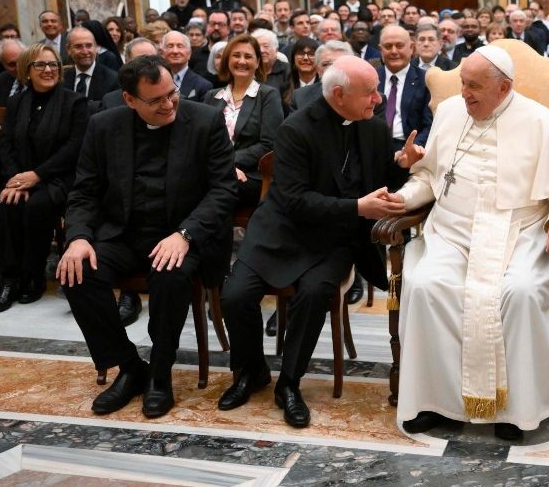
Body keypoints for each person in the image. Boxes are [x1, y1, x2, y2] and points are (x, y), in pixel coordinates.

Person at [392, 46, 549, 440]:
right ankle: (434, 402)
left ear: (504, 88)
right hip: (451, 232)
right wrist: (402, 199)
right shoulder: (450, 112)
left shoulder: (542, 122)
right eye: (463, 83)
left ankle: (516, 411)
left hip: (518, 233)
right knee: (426, 285)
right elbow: (429, 178)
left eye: (474, 87)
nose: (464, 93)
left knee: (521, 292)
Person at [218, 56, 411, 427]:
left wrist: (402, 165)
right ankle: (252, 371)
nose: (378, 100)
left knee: (313, 295)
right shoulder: (296, 129)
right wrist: (357, 207)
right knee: (235, 295)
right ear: (339, 95)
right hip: (281, 231)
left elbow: (382, 178)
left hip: (334, 238)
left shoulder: (373, 127)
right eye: (370, 92)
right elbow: (294, 201)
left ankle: (289, 383)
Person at [59, 55, 238, 418]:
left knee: (170, 276)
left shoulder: (205, 121)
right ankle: (129, 366)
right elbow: (84, 192)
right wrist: (78, 238)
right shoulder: (104, 125)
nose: (169, 104)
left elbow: (224, 190)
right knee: (76, 273)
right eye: (156, 100)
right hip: (123, 233)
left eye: (172, 93)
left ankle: (159, 370)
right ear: (130, 99)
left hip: (182, 233)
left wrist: (185, 234)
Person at [0, 43, 88, 313]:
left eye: (53, 64)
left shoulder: (74, 102)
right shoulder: (16, 102)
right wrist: (16, 180)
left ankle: (34, 276)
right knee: (7, 204)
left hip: (59, 178)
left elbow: (74, 148)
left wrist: (37, 175)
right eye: (40, 65)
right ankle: (10, 278)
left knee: (36, 206)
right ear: (27, 70)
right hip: (23, 177)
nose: (48, 70)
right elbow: (5, 144)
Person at [204, 34, 283, 208]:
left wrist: (227, 163)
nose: (241, 61)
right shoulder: (212, 96)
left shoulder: (268, 95)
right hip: (213, 169)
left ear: (257, 62)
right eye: (236, 55)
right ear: (227, 60)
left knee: (219, 187)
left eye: (248, 56)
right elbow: (202, 140)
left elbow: (269, 144)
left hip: (250, 174)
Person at [371, 25, 434, 149]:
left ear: (411, 48)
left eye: (399, 46)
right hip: (374, 146)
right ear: (380, 49)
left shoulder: (426, 80)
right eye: (388, 46)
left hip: (410, 146)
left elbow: (430, 125)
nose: (394, 51)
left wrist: (411, 149)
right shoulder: (371, 78)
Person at [62, 27, 119, 105]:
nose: (85, 52)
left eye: (89, 46)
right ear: (68, 49)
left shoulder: (113, 79)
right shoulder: (62, 79)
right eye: (78, 46)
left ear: (96, 47)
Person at [160, 31, 212, 103]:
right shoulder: (154, 81)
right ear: (162, 53)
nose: (175, 51)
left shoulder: (203, 86)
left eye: (180, 46)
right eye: (170, 46)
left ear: (189, 53)